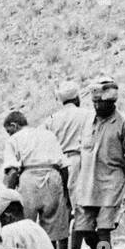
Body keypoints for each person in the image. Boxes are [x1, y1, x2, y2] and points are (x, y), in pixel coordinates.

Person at [72, 77, 125, 249]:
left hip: (112, 185)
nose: (96, 106)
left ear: (111, 102)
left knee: (103, 231)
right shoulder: (87, 121)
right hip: (87, 185)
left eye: (100, 102)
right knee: (83, 230)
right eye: (94, 102)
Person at [1, 110, 72, 249]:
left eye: (9, 131)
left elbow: (13, 171)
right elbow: (63, 166)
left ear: (14, 126)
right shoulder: (48, 134)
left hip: (29, 179)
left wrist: (5, 196)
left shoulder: (14, 139)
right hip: (53, 176)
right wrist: (65, 192)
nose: (9, 134)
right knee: (53, 228)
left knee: (26, 227)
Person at [42, 80, 90, 210]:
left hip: (58, 164)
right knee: (80, 199)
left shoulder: (51, 120)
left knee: (64, 202)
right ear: (77, 98)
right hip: (79, 160)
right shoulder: (87, 115)